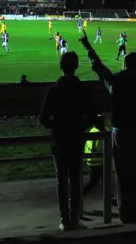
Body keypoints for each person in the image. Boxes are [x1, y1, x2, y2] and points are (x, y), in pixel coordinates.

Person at [78, 19, 136, 224]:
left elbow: (98, 67)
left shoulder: (115, 82)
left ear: (124, 64)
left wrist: (88, 46)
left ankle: (126, 215)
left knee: (123, 174)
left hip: (121, 133)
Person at [38, 51, 97, 231]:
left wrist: (56, 127)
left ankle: (65, 220)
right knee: (76, 179)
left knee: (61, 180)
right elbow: (92, 116)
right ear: (76, 66)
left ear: (61, 67)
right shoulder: (82, 90)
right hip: (76, 138)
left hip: (59, 140)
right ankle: (75, 219)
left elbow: (42, 118)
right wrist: (80, 126)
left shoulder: (54, 90)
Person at [83, 115, 117, 206]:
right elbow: (102, 147)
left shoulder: (93, 130)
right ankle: (80, 196)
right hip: (98, 161)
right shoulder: (100, 133)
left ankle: (110, 197)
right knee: (96, 181)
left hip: (93, 160)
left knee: (103, 179)